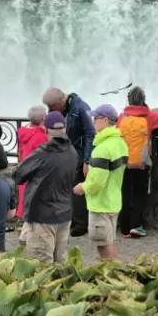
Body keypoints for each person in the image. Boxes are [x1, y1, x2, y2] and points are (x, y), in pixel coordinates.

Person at [14, 111, 79, 261]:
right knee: (60, 262)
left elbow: (18, 175)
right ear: (65, 128)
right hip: (64, 213)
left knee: (41, 264)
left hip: (42, 215)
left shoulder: (43, 153)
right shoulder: (72, 152)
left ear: (46, 129)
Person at [74, 105, 129, 261]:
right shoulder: (120, 143)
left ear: (105, 120)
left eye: (95, 119)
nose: (93, 122)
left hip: (101, 204)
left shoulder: (102, 149)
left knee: (104, 247)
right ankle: (118, 274)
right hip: (114, 200)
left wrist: (82, 187)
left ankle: (111, 277)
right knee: (110, 242)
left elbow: (97, 182)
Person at [117, 86, 158, 238]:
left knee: (125, 193)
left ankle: (124, 228)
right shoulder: (149, 116)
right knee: (140, 194)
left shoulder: (122, 117)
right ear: (143, 100)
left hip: (124, 162)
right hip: (142, 163)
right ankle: (136, 226)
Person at [42, 87, 95, 237]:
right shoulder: (60, 108)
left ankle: (81, 224)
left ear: (60, 101)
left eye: (52, 107)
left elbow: (90, 134)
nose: (51, 110)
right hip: (65, 153)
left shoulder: (81, 108)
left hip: (77, 155)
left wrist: (87, 160)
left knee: (76, 189)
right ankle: (71, 219)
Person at [16, 106, 50, 219]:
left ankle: (23, 221)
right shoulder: (41, 136)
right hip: (36, 173)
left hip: (25, 169)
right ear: (44, 119)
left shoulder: (23, 133)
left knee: (24, 197)